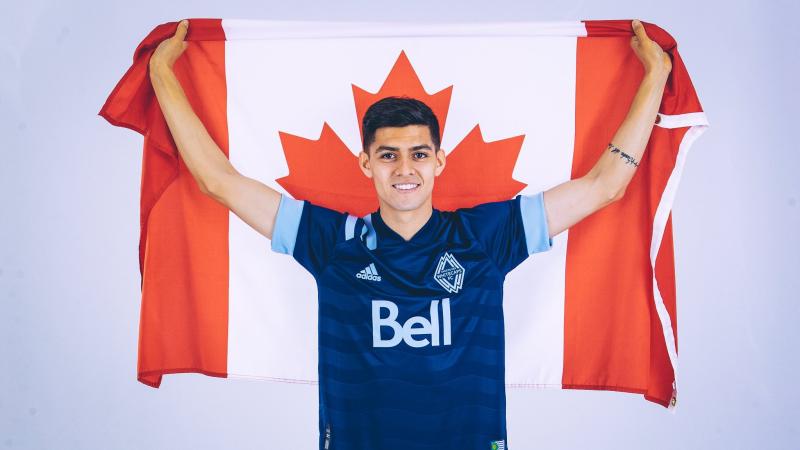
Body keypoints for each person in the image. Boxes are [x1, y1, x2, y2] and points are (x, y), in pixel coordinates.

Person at [149, 18, 671, 450]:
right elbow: (218, 181)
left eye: (419, 154)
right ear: (366, 163)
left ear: (439, 160)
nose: (404, 169)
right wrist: (161, 73)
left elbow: (605, 185)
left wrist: (655, 74)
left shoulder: (487, 236)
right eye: (388, 155)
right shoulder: (331, 241)